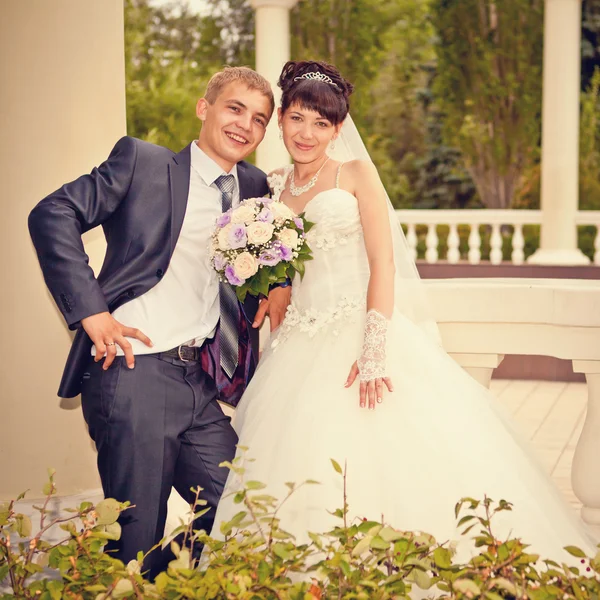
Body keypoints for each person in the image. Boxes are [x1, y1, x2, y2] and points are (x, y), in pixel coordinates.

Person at [208, 60, 596, 565]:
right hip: (296, 344)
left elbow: (382, 263)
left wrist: (372, 351)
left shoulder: (355, 173)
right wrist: (277, 286)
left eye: (322, 124)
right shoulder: (271, 185)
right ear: (280, 119)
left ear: (338, 129)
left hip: (358, 333)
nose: (308, 133)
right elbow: (274, 258)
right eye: (299, 118)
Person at [28, 66, 291, 576]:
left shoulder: (257, 188)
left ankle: (159, 578)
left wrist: (278, 281)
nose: (245, 125)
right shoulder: (142, 163)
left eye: (259, 119)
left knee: (243, 511)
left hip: (200, 381)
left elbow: (269, 258)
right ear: (204, 108)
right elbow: (52, 213)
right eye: (234, 108)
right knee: (135, 533)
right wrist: (92, 312)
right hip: (134, 373)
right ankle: (134, 574)